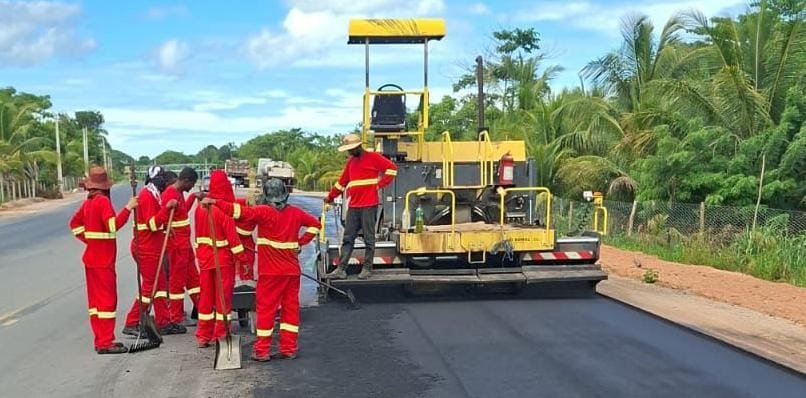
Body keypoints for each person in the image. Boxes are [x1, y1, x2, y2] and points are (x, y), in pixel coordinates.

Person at [205, 178, 319, 361]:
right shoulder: (296, 213)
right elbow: (316, 225)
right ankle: (289, 348)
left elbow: (237, 212)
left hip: (271, 273)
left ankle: (262, 350)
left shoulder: (264, 212)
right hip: (292, 272)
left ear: (266, 195)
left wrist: (214, 202)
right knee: (290, 310)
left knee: (266, 310)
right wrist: (300, 243)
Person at [69, 166, 138, 354]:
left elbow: (74, 225)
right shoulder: (102, 202)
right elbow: (113, 226)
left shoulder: (88, 203)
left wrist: (90, 241)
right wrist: (128, 208)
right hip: (103, 261)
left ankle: (101, 340)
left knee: (96, 302)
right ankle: (106, 342)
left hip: (91, 258)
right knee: (107, 301)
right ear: (105, 186)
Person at [324, 133, 397, 279]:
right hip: (354, 206)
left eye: (351, 149)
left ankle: (367, 268)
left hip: (369, 205)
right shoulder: (351, 162)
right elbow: (341, 182)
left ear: (358, 146)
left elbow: (392, 169)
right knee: (348, 238)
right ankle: (341, 269)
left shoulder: (374, 157)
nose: (349, 152)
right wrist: (330, 197)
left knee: (369, 238)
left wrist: (380, 185)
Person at [193, 170, 249, 348]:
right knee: (222, 299)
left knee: (206, 298)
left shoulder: (199, 209)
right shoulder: (223, 209)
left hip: (204, 260)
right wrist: (243, 259)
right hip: (222, 261)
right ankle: (221, 333)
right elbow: (234, 241)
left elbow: (198, 237)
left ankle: (203, 336)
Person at [122, 166, 179, 336]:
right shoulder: (147, 196)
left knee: (160, 286)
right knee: (149, 288)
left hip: (153, 247)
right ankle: (132, 322)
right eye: (163, 178)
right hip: (145, 248)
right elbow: (152, 224)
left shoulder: (154, 194)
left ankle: (164, 321)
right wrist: (167, 209)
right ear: (156, 179)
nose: (166, 182)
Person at [160, 167, 200, 331]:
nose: (192, 187)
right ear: (186, 181)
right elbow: (164, 217)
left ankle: (203, 308)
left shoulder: (179, 194)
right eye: (192, 185)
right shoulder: (170, 194)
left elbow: (182, 211)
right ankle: (176, 316)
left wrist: (193, 197)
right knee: (177, 281)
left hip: (184, 244)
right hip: (176, 245)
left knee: (193, 278)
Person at [234, 198, 256, 281]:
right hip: (234, 237)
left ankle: (247, 282)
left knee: (248, 266)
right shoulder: (238, 204)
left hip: (247, 240)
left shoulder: (259, 210)